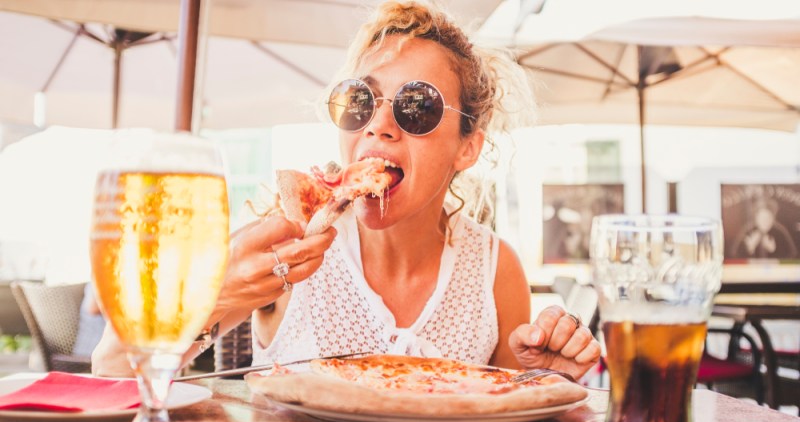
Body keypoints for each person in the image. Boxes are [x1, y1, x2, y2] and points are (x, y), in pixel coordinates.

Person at [93, 1, 601, 379]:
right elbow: (112, 368)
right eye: (361, 101)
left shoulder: (494, 269)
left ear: (467, 147)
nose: (378, 125)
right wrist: (216, 292)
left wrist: (546, 377)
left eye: (417, 106)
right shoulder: (285, 241)